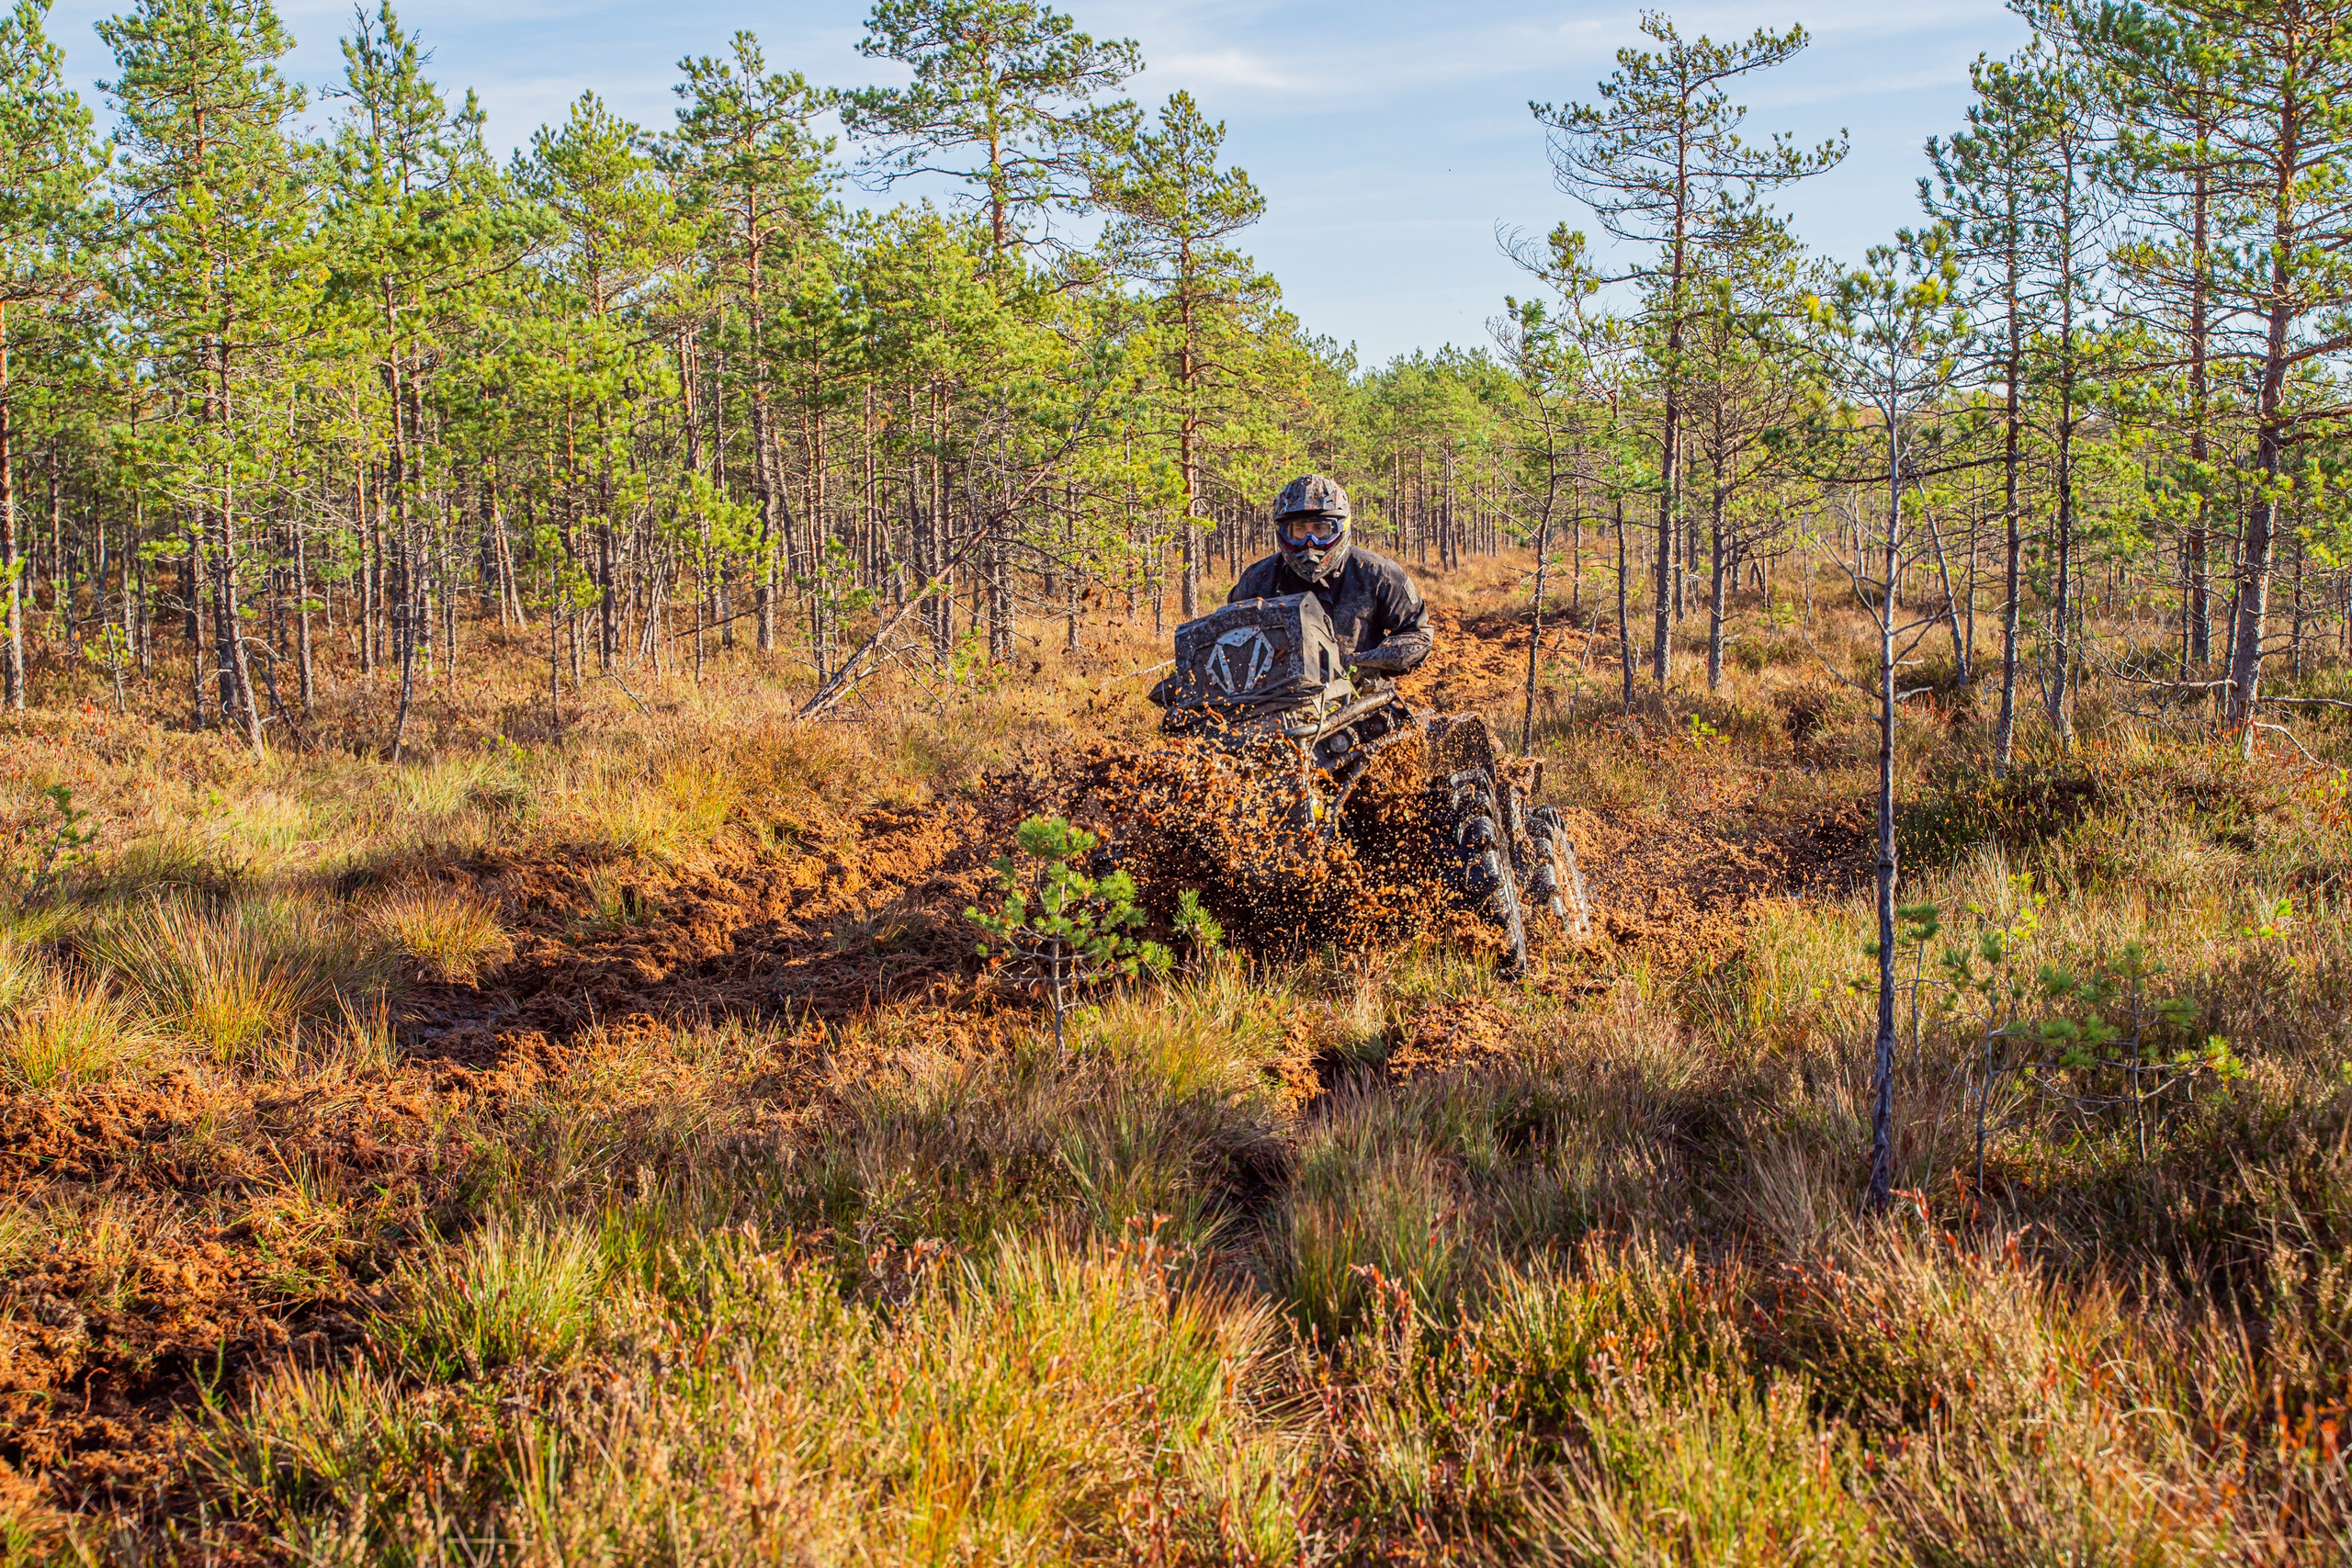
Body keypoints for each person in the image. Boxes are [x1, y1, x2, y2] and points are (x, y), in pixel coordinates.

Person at [1227, 473, 1433, 679]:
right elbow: (1228, 639)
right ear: (1284, 531)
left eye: (1320, 529)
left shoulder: (1378, 574)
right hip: (1278, 699)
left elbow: (1418, 634)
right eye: (1299, 530)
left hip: (1361, 697)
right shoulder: (1258, 579)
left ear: (1339, 527)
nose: (1310, 542)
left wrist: (1359, 663)